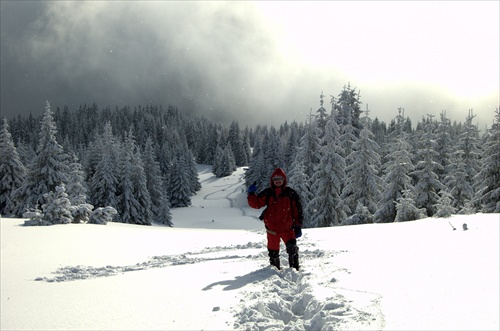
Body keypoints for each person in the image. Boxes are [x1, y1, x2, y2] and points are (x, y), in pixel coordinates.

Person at [247, 167, 303, 270]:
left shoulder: (290, 193)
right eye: (275, 179)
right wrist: (251, 194)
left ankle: (295, 270)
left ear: (284, 180)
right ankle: (274, 272)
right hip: (272, 231)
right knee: (273, 254)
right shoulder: (268, 193)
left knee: (292, 250)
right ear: (272, 181)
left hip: (288, 230)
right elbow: (256, 204)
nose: (278, 181)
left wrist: (298, 225)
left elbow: (297, 211)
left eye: (280, 179)